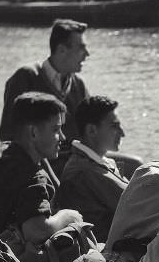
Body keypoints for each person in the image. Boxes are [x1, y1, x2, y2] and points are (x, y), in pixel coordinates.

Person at [0, 92, 83, 261]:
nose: (63, 137)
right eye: (56, 129)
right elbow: (36, 231)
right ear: (34, 132)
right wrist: (66, 216)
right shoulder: (34, 177)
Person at [0, 19, 89, 146]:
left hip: (71, 162)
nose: (87, 54)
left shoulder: (79, 85)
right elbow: (8, 134)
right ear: (62, 50)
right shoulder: (26, 77)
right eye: (81, 48)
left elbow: (89, 134)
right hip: (36, 163)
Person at [55, 96, 129, 242]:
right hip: (108, 253)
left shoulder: (97, 163)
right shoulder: (85, 171)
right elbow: (139, 204)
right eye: (114, 126)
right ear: (92, 130)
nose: (122, 133)